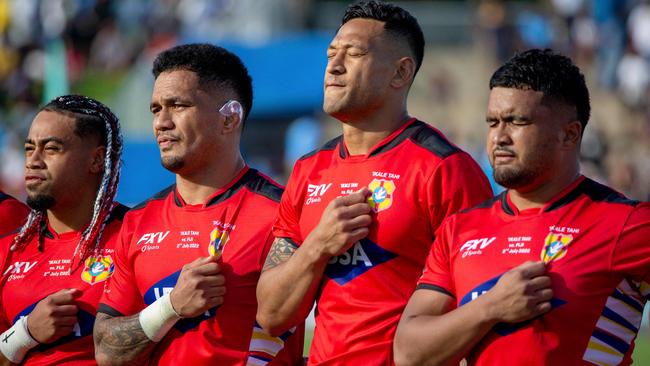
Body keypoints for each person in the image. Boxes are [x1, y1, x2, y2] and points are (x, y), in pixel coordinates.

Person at [256, 1, 492, 364]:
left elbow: (477, 311)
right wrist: (319, 244)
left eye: (354, 54)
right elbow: (272, 315)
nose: (334, 66)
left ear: (400, 73)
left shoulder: (445, 170)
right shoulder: (309, 170)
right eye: (332, 53)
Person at [394, 49, 650, 366]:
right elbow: (409, 355)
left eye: (518, 121)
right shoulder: (459, 229)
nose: (499, 137)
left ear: (569, 134)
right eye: (493, 122)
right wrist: (491, 307)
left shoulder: (627, 223)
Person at [93, 43, 304, 365]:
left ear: (229, 117)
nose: (161, 122)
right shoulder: (138, 222)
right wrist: (171, 306)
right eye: (155, 109)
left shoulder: (283, 212)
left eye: (177, 105)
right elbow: (106, 351)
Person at [0, 95, 127, 365]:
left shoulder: (137, 234)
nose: (33, 161)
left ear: (95, 160)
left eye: (51, 148)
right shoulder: (8, 250)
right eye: (28, 148)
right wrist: (25, 333)